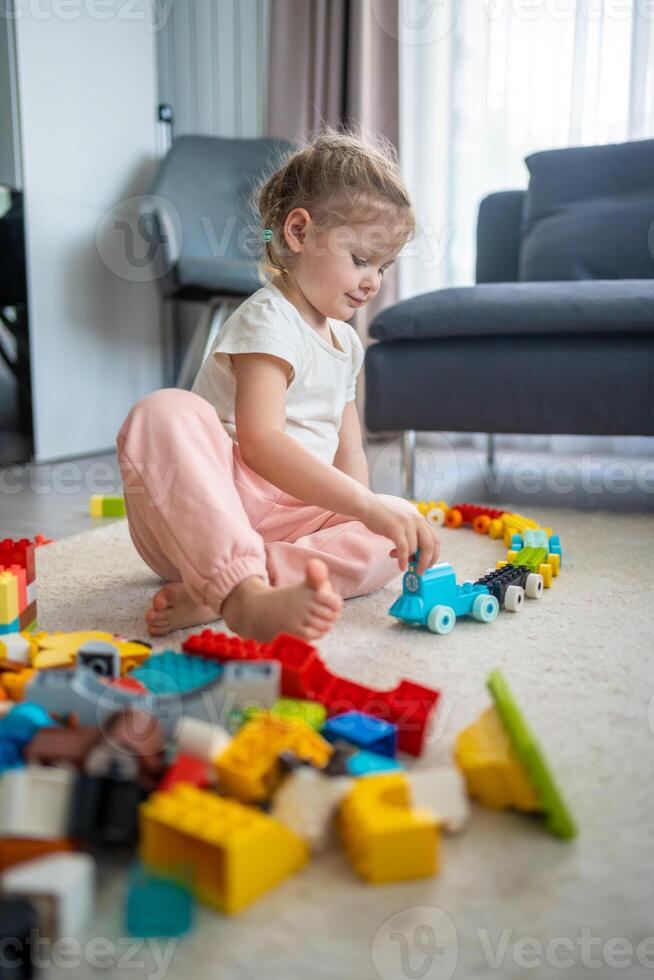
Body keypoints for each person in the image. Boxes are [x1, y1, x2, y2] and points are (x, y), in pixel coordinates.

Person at [116, 125, 440, 642]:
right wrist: (364, 507)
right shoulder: (269, 319)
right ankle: (239, 591)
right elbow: (262, 445)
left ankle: (230, 589)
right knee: (165, 411)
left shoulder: (346, 343)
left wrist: (371, 511)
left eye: (383, 266)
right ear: (298, 233)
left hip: (291, 522)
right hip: (208, 509)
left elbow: (348, 455)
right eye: (360, 260)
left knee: (392, 532)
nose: (372, 281)